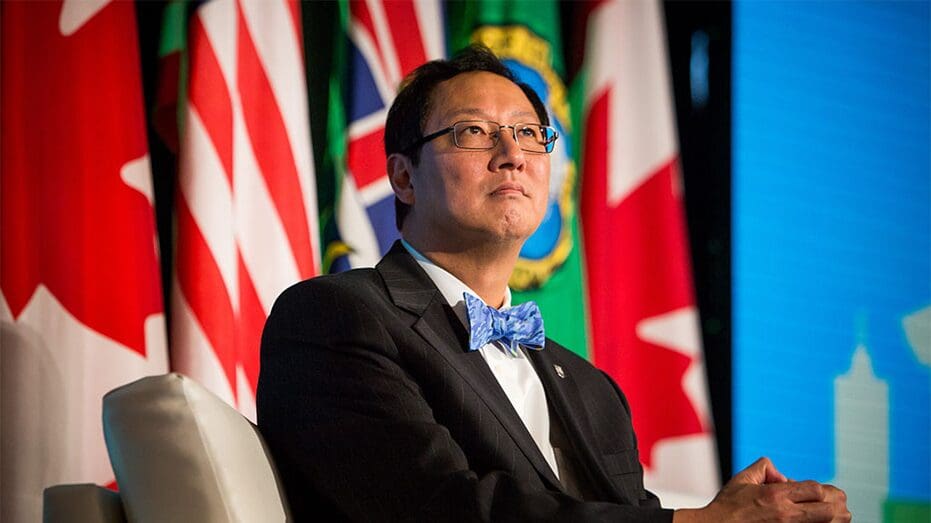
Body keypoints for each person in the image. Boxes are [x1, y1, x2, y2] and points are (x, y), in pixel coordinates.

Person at [256, 46, 849, 522]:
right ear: (403, 177)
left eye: (529, 133)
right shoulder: (334, 317)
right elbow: (443, 509)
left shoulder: (593, 389)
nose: (512, 154)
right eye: (473, 132)